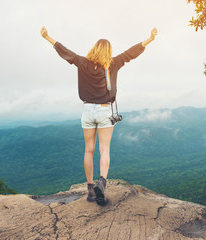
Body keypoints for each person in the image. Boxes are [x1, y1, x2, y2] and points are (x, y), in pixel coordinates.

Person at [40, 26, 157, 205]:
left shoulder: (83, 63)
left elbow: (66, 53)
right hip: (104, 111)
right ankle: (101, 183)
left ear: (94, 49)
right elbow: (130, 53)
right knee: (104, 150)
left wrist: (47, 37)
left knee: (88, 150)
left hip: (87, 111)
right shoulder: (113, 63)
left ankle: (90, 189)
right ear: (108, 51)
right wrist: (149, 39)